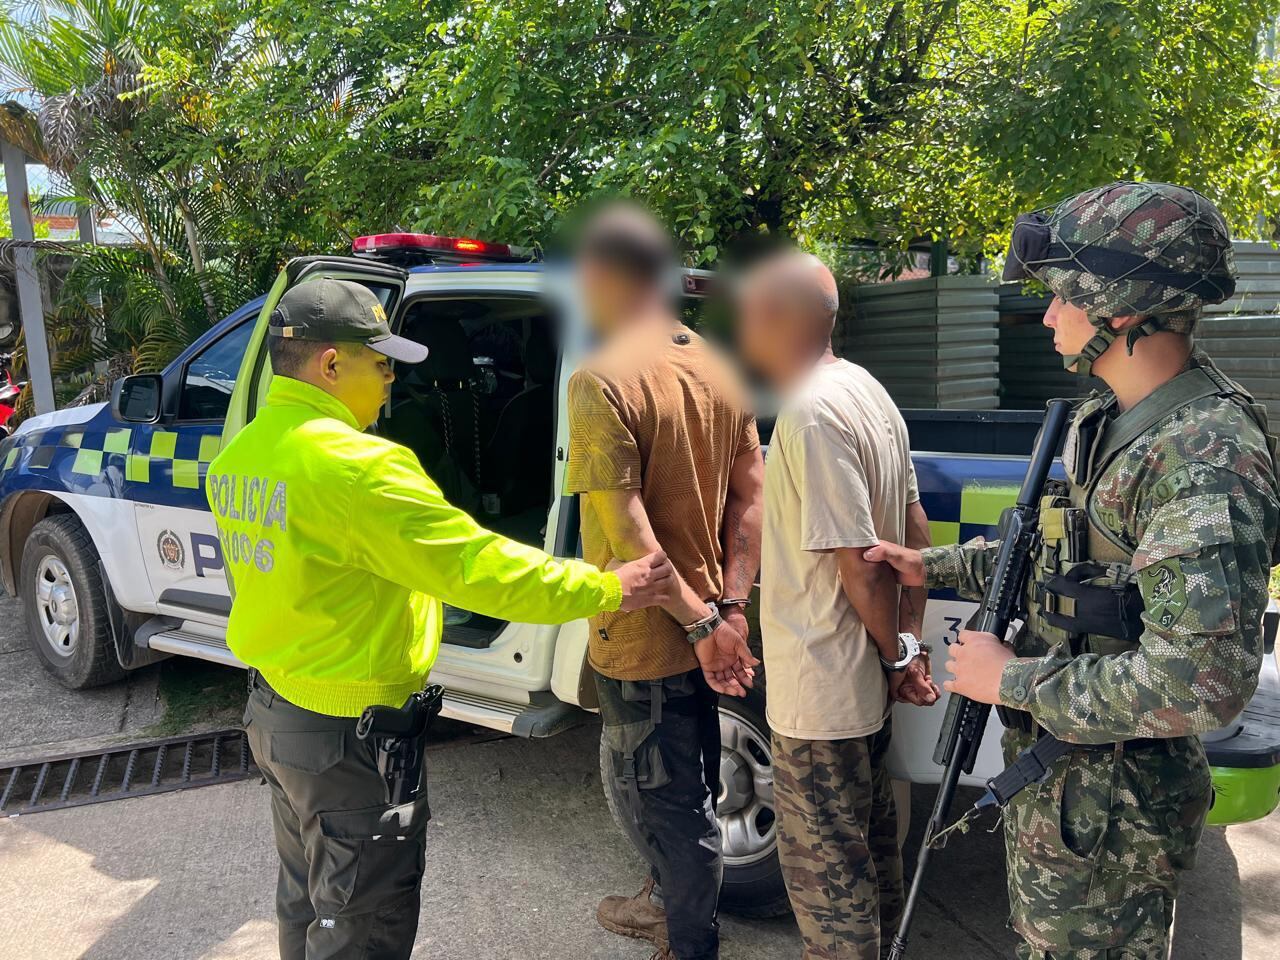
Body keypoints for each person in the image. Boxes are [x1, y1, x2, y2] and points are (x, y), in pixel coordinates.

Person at [868, 181, 1280, 959]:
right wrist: (926, 563)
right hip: (1065, 794)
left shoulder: (1204, 454)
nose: (1049, 314)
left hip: (1117, 819)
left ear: (1122, 309)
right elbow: (1061, 559)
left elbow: (1203, 682)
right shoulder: (1106, 418)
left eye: (1063, 297)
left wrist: (1009, 682)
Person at [207, 278, 675, 960]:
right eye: (381, 362)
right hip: (352, 740)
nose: (392, 380)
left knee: (310, 902)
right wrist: (606, 587)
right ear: (330, 365)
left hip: (276, 716)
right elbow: (478, 570)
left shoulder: (242, 454)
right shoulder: (360, 468)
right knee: (366, 922)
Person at [565, 203, 764, 960]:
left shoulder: (599, 377)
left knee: (669, 802)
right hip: (708, 619)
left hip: (652, 637)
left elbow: (626, 531)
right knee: (696, 782)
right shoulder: (716, 365)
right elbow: (754, 495)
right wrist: (729, 606)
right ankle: (663, 903)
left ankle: (687, 943)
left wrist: (701, 623)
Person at [736, 251, 940, 960]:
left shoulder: (810, 414)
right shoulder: (866, 391)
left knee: (830, 887)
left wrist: (894, 655)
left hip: (822, 695)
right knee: (875, 857)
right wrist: (907, 648)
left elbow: (858, 563)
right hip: (858, 690)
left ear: (773, 320)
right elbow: (915, 532)